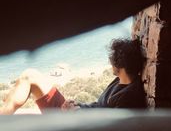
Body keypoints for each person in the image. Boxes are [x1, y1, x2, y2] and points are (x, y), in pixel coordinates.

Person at [0, 38, 147, 115]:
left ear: (119, 65)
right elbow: (99, 107)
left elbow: (106, 129)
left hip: (75, 124)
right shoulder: (121, 81)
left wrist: (75, 114)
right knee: (30, 76)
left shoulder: (129, 97)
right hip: (74, 114)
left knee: (29, 77)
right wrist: (77, 106)